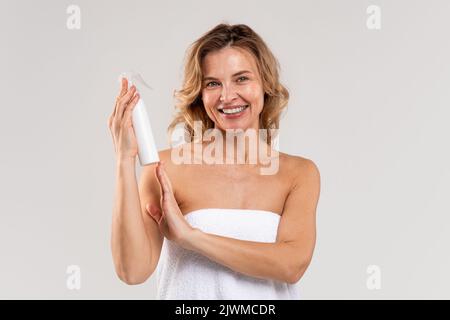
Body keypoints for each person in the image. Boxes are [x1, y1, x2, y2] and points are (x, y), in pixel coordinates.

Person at [108, 23, 321, 299]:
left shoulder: (298, 174)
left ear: (265, 84)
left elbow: (291, 264)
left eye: (242, 79)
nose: (227, 96)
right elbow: (132, 271)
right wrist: (125, 160)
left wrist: (192, 237)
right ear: (200, 93)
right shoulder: (165, 169)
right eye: (213, 83)